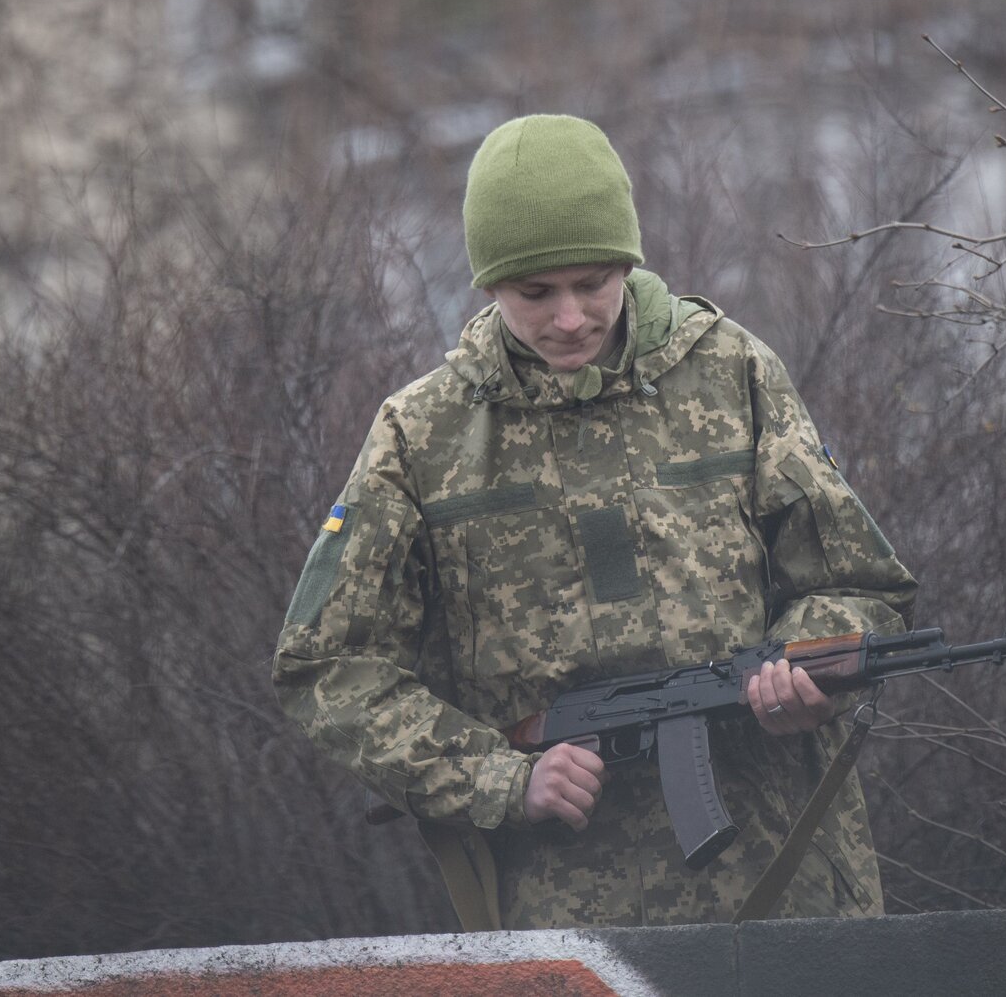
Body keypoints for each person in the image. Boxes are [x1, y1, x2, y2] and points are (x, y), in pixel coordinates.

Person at [273, 113, 917, 928]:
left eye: (593, 283)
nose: (570, 318)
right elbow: (327, 665)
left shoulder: (730, 372)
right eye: (535, 293)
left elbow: (859, 581)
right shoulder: (422, 434)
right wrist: (497, 779)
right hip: (568, 922)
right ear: (488, 287)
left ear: (627, 262)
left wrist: (806, 668)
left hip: (783, 884)